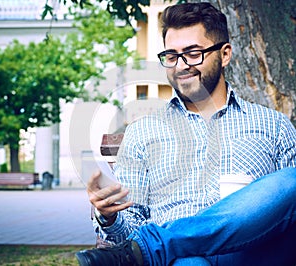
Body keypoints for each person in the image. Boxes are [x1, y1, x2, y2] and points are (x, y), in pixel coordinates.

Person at [76, 2, 296, 265]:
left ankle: (156, 245)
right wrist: (109, 216)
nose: (180, 66)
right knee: (188, 263)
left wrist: (249, 207)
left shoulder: (274, 125)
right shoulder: (142, 133)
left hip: (252, 255)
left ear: (225, 54)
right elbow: (128, 234)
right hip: (181, 261)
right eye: (171, 56)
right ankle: (161, 247)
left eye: (193, 53)